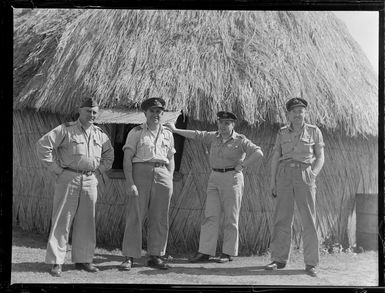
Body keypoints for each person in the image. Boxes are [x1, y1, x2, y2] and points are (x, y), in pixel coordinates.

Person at [165, 111, 263, 263]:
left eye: (226, 123)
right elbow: (197, 134)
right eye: (220, 122)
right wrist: (176, 130)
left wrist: (242, 165)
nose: (222, 126)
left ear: (233, 125)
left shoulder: (240, 140)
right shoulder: (214, 136)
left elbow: (258, 152)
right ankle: (205, 251)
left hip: (232, 179)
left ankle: (228, 253)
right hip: (214, 178)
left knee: (231, 216)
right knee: (210, 215)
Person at [36, 98, 114, 277]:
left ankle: (84, 259)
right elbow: (43, 145)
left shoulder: (100, 134)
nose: (92, 115)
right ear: (80, 110)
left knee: (87, 221)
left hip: (90, 180)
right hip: (68, 177)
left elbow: (109, 155)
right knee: (62, 219)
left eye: (94, 112)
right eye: (88, 111)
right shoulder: (66, 129)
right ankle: (56, 261)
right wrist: (56, 169)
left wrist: (98, 171)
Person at [265, 97, 325, 277]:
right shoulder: (282, 132)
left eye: (301, 111)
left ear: (305, 113)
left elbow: (320, 156)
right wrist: (273, 181)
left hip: (304, 174)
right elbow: (276, 156)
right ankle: (278, 259)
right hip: (284, 175)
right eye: (294, 111)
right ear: (288, 115)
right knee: (282, 218)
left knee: (309, 219)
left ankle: (311, 263)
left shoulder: (314, 131)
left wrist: (313, 174)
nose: (298, 114)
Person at [120, 97, 175, 271]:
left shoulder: (168, 134)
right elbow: (127, 158)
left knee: (160, 217)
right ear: (145, 113)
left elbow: (171, 158)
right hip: (141, 172)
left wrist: (170, 178)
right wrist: (130, 182)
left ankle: (155, 255)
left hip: (162, 173)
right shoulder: (136, 132)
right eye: (152, 111)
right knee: (135, 214)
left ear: (162, 114)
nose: (156, 114)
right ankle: (129, 256)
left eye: (159, 111)